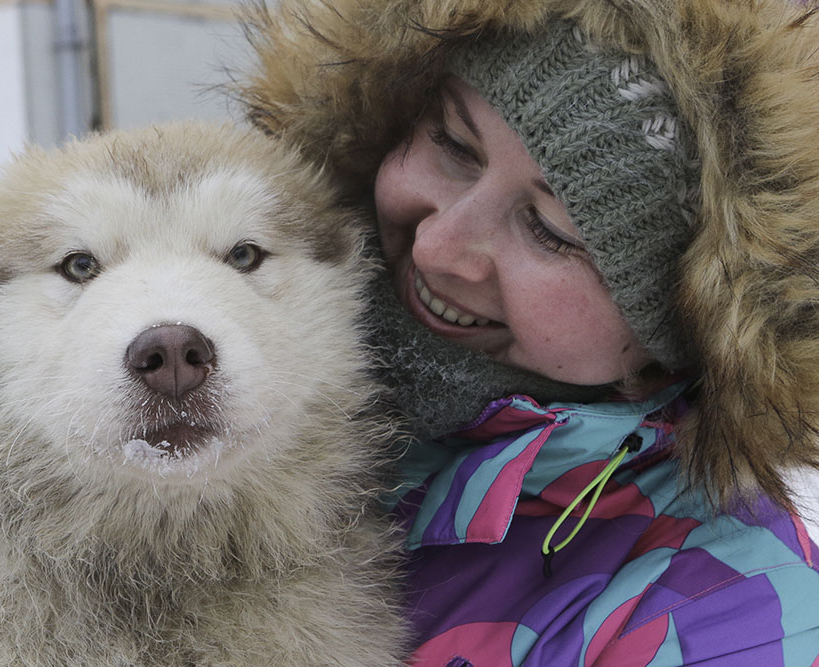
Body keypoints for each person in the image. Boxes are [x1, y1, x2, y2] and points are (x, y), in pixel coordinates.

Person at [233, 0, 819, 663]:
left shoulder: (731, 615)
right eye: (453, 145)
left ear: (683, 324)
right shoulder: (212, 358)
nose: (436, 244)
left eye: (548, 230)